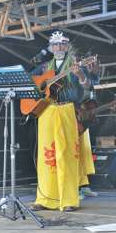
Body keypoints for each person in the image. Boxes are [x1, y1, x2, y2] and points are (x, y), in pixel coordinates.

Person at [30, 30, 99, 212]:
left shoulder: (77, 65)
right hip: (47, 110)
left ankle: (69, 199)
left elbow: (89, 84)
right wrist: (39, 88)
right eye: (55, 44)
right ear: (50, 48)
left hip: (68, 109)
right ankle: (45, 198)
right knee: (47, 156)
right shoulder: (44, 68)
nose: (59, 47)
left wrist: (81, 76)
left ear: (67, 46)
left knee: (67, 155)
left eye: (62, 44)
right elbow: (31, 82)